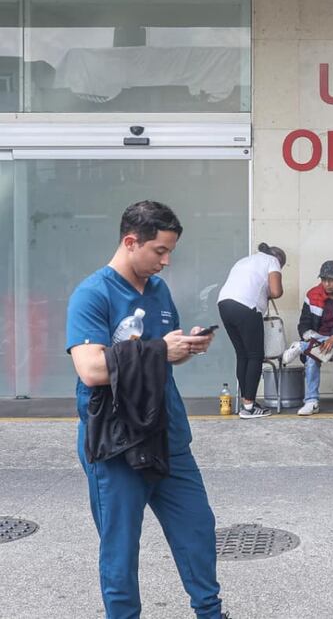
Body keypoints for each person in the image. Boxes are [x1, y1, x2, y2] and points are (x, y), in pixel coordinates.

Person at [66, 200, 225, 618]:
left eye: (171, 251)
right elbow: (91, 369)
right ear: (130, 241)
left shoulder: (158, 291)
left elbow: (159, 355)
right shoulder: (92, 294)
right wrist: (159, 351)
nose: (167, 261)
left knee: (198, 531)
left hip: (167, 433)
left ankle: (210, 612)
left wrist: (185, 349)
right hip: (115, 443)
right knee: (120, 549)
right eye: (159, 251)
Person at [281, 260, 333, 416]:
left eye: (331, 279)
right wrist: (310, 336)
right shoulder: (312, 294)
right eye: (324, 279)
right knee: (314, 354)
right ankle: (312, 402)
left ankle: (302, 347)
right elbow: (304, 323)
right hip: (319, 339)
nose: (327, 283)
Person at [217, 242, 286, 419]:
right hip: (246, 307)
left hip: (224, 304)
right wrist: (270, 291)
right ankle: (249, 407)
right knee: (255, 355)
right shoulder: (273, 260)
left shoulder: (244, 261)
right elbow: (277, 291)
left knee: (242, 355)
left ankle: (246, 403)